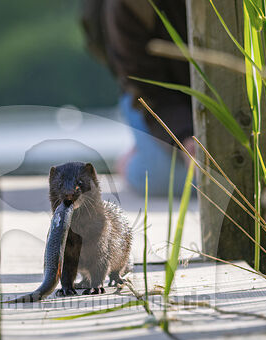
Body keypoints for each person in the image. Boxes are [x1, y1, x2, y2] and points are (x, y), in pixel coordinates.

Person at [82, 0, 193, 196]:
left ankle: (150, 144)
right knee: (160, 178)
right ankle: (131, 160)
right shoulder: (127, 6)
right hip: (147, 97)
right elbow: (146, 88)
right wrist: (186, 138)